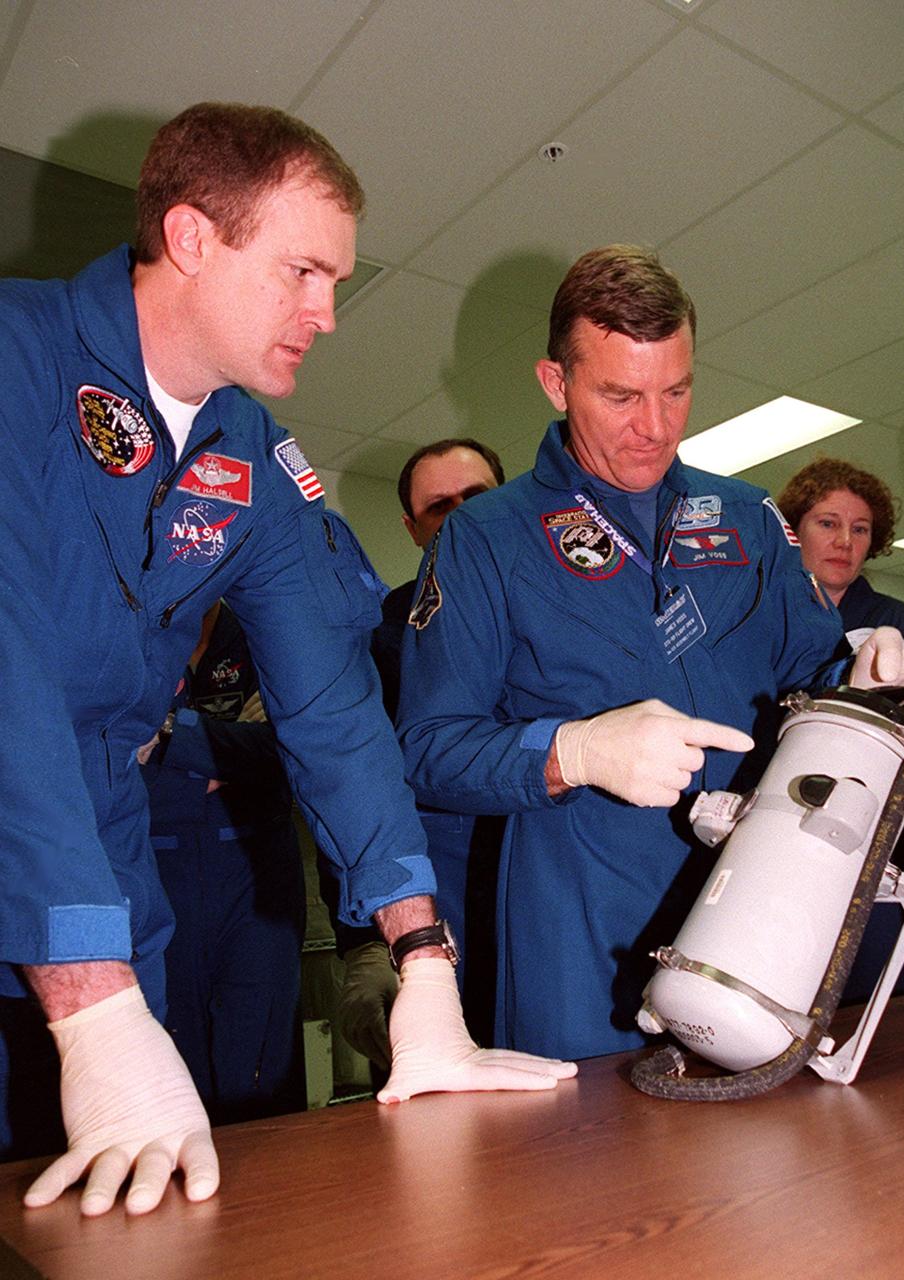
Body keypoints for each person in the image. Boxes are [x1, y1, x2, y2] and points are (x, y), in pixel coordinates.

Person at [0, 101, 574, 1219]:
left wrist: (422, 957)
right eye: (304, 272)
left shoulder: (252, 457)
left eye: (335, 281)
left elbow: (334, 706)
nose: (327, 314)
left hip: (105, 850)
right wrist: (91, 999)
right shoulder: (17, 356)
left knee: (132, 1214)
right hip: (34, 840)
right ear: (192, 237)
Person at [396, 244, 904, 1063]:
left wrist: (868, 670)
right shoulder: (486, 538)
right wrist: (572, 752)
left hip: (759, 912)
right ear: (556, 382)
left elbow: (814, 675)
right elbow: (429, 750)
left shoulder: (746, 519)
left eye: (675, 391)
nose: (655, 427)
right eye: (620, 395)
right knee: (588, 1142)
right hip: (579, 928)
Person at [330, 439, 506, 1073]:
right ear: (412, 529)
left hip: (554, 890)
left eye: (476, 497)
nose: (460, 516)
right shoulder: (374, 637)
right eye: (439, 506)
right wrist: (363, 941)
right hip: (432, 898)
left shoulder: (570, 609)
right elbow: (348, 781)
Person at [777, 456, 904, 998]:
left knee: (889, 1000)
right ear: (794, 532)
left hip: (884, 843)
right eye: (827, 523)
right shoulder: (766, 621)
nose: (844, 541)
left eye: (860, 529)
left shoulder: (900, 625)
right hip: (782, 838)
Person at [143, 601, 306, 1124]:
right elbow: (103, 766)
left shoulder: (267, 632)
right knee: (167, 1079)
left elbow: (293, 752)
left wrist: (170, 734)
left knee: (262, 1081)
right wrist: (225, 758)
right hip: (154, 878)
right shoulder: (124, 639)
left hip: (257, 880)